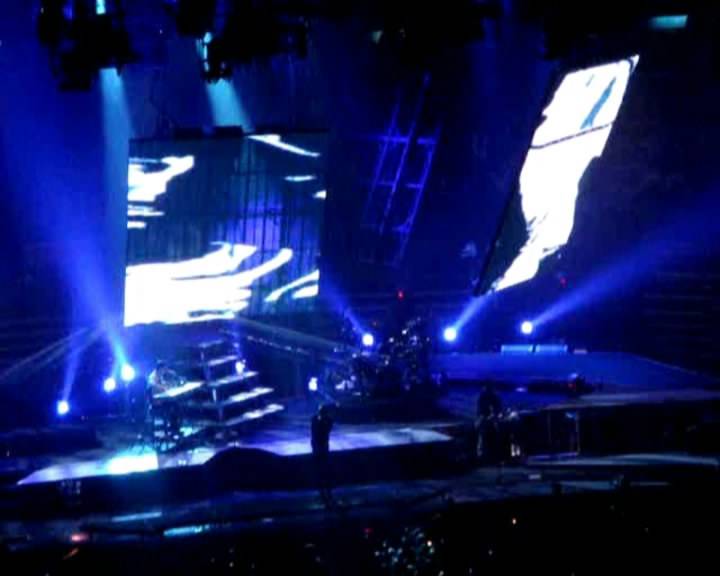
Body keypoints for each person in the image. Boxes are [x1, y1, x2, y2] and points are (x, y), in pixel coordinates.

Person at [311, 403, 335, 506]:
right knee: (319, 468)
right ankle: (322, 490)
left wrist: (322, 420)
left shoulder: (328, 420)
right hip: (317, 446)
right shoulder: (315, 419)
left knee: (324, 468)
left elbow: (326, 429)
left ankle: (326, 490)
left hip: (323, 446)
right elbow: (314, 430)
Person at [476, 382, 503, 462]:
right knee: (481, 430)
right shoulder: (482, 397)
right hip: (484, 418)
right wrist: (483, 417)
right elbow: (479, 411)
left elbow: (498, 410)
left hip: (494, 418)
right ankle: (481, 453)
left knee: (497, 429)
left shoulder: (495, 398)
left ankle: (496, 452)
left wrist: (494, 416)